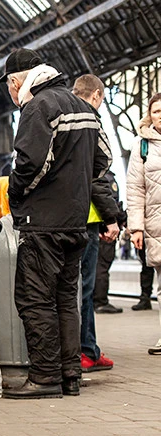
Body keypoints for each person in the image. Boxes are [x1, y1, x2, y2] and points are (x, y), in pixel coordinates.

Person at [0, 49, 108, 399]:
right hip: (76, 222)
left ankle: (45, 377)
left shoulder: (39, 107)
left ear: (18, 81)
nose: (11, 94)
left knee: (35, 299)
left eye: (9, 86)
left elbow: (30, 164)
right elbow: (102, 160)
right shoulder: (84, 108)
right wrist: (73, 185)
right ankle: (69, 375)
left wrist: (16, 195)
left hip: (43, 221)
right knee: (65, 298)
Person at [72, 74, 120, 373]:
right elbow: (97, 176)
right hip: (87, 217)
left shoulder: (61, 116)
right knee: (84, 289)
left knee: (75, 287)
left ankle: (89, 346)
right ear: (97, 95)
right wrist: (111, 217)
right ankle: (85, 351)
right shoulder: (90, 120)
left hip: (66, 216)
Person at [126, 92, 161, 354]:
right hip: (156, 224)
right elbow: (135, 188)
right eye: (157, 111)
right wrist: (136, 227)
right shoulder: (142, 145)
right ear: (151, 115)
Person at [93, 170, 125, 314]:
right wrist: (118, 219)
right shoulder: (106, 177)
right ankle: (101, 301)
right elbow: (111, 201)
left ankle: (97, 300)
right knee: (102, 266)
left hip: (98, 227)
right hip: (106, 229)